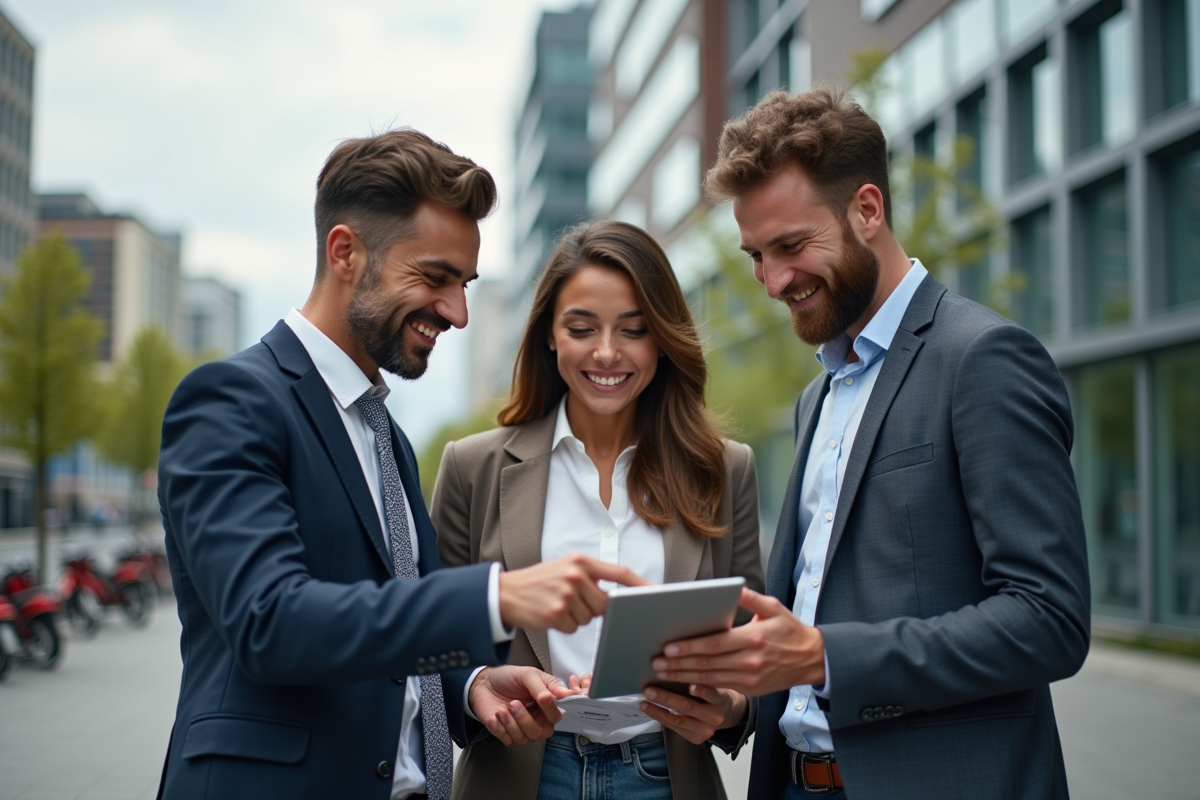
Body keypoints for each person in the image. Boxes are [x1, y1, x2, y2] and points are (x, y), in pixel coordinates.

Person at [155, 130, 645, 800]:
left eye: (465, 284)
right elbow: (270, 622)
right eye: (435, 278)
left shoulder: (386, 433)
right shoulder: (230, 401)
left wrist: (471, 685)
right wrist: (494, 596)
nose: (458, 312)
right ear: (345, 253)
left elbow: (393, 629)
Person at [651, 88, 1091, 799]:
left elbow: (1049, 621)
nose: (772, 281)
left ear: (867, 209)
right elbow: (811, 618)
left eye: (791, 246)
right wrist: (736, 702)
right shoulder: (817, 397)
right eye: (757, 255)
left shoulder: (983, 359)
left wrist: (825, 656)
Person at [430, 220, 765, 800]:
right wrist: (480, 685)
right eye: (581, 328)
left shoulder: (725, 468)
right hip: (518, 777)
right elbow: (430, 642)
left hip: (668, 774)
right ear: (549, 336)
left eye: (633, 330)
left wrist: (730, 707)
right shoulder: (472, 467)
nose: (607, 352)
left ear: (662, 337)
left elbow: (754, 642)